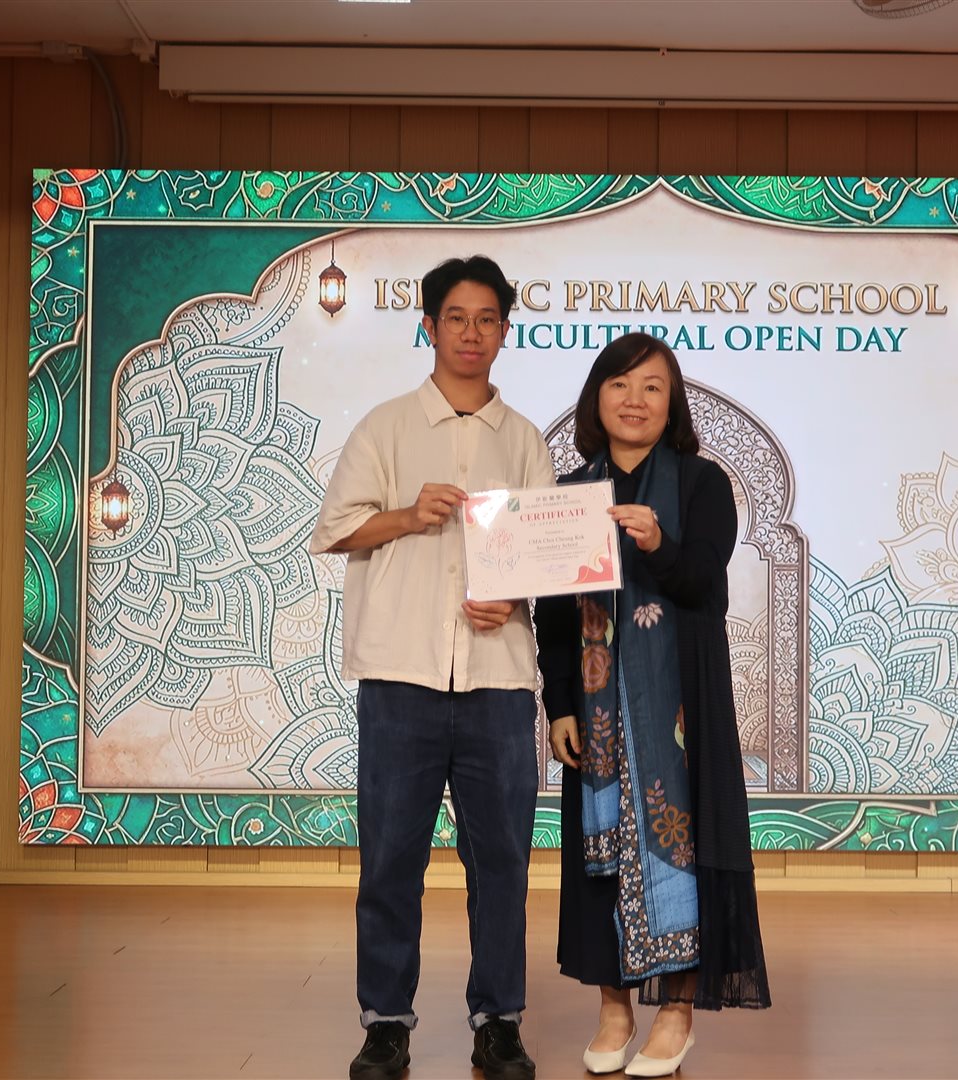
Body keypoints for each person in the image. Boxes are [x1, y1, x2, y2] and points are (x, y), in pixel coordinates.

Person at [310, 255, 551, 1080]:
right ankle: (385, 1022)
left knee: (501, 862)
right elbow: (336, 530)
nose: (471, 333)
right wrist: (409, 515)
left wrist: (512, 599)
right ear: (429, 326)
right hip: (400, 677)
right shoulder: (385, 427)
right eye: (456, 317)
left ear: (504, 331)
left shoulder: (523, 440)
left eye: (486, 319)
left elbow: (549, 559)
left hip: (496, 681)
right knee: (390, 859)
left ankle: (499, 1020)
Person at [534, 332, 772, 1078]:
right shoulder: (571, 493)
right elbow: (554, 615)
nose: (633, 400)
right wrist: (560, 704)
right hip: (596, 713)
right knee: (597, 852)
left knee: (685, 844)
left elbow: (703, 582)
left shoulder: (702, 484)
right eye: (619, 384)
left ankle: (675, 1012)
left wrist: (658, 544)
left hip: (681, 711)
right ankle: (614, 1008)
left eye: (651, 387)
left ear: (672, 406)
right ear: (596, 398)